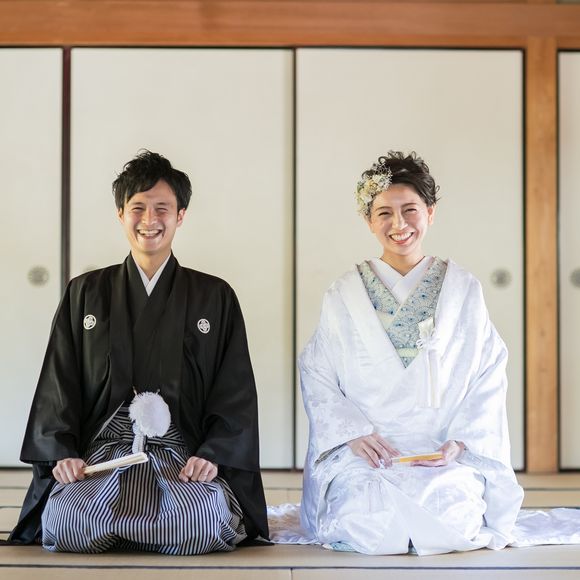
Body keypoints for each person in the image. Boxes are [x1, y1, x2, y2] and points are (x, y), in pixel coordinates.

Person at [9, 150, 268, 554]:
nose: (150, 220)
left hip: (181, 454)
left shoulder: (214, 296)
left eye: (162, 208)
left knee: (199, 520)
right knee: (66, 521)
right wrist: (61, 453)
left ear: (180, 215)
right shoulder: (85, 292)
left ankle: (131, 527)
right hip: (103, 454)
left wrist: (214, 454)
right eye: (138, 208)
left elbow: (233, 388)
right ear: (120, 214)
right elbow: (60, 381)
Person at [299, 151, 524, 556]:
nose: (399, 224)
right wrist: (352, 434)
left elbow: (489, 371)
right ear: (369, 220)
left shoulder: (462, 290)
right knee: (370, 524)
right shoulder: (344, 293)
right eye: (384, 213)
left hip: (440, 449)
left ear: (430, 213)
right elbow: (317, 372)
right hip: (369, 451)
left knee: (451, 517)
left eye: (410, 210)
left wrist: (460, 442)